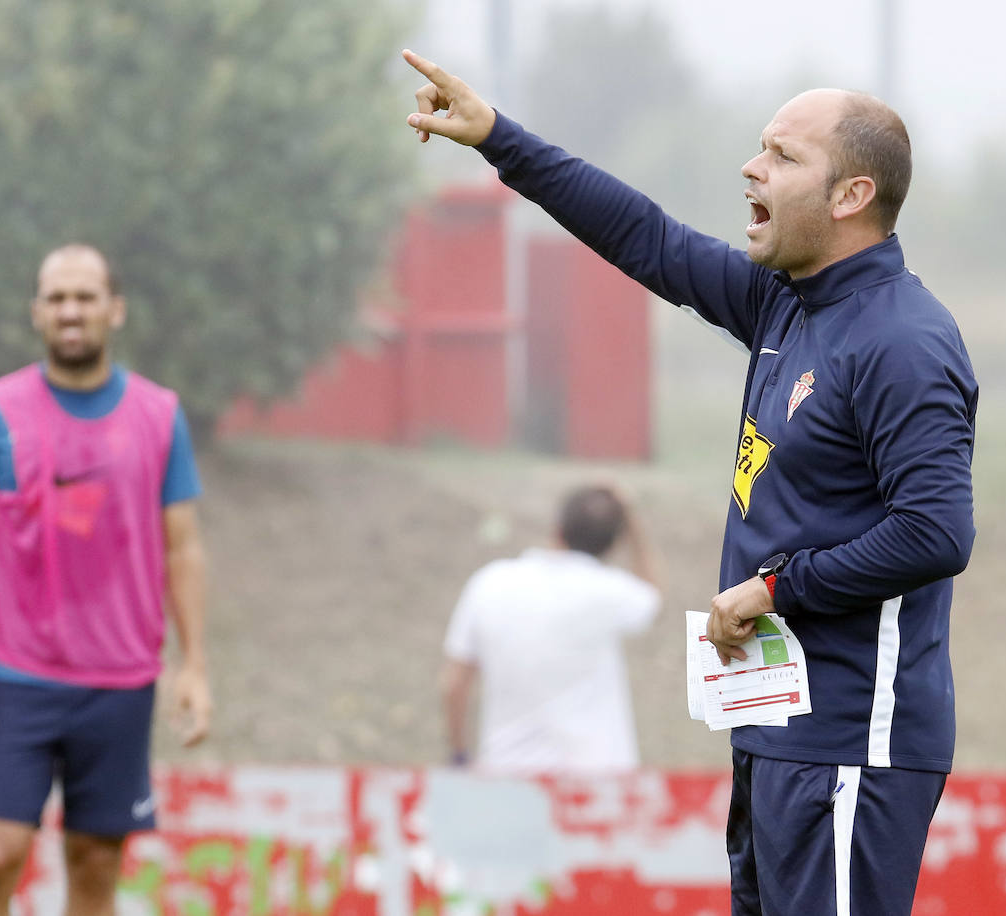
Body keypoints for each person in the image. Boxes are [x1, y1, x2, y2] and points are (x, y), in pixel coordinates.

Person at [402, 50, 977, 915]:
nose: (753, 167)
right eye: (759, 148)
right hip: (774, 732)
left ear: (852, 196)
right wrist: (498, 139)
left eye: (784, 156)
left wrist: (777, 588)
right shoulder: (787, 302)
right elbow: (649, 238)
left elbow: (937, 534)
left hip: (854, 740)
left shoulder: (904, 341)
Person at [0, 244, 212, 915]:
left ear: (114, 310)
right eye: (56, 297)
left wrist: (195, 664)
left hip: (119, 680)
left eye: (85, 297)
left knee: (94, 867)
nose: (70, 311)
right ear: (36, 312)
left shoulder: (159, 415)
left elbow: (183, 547)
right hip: (14, 677)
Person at [441, 485, 661, 773]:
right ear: (611, 545)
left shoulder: (490, 582)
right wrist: (631, 518)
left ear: (557, 529)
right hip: (598, 778)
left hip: (507, 775)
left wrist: (459, 755)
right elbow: (652, 595)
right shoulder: (610, 592)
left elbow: (454, 683)